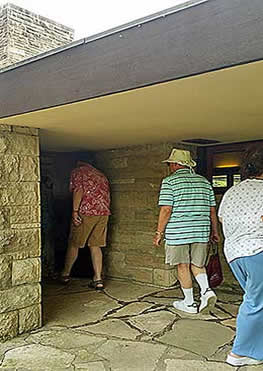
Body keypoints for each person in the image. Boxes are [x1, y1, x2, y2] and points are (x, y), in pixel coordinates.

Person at [153, 148, 219, 314]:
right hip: (201, 230)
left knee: (183, 265)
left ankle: (189, 303)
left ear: (175, 164)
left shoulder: (169, 182)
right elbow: (212, 210)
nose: (169, 167)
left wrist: (159, 233)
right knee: (198, 265)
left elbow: (166, 209)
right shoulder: (204, 182)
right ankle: (206, 290)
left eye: (170, 164)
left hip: (178, 232)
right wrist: (215, 231)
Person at [218, 146, 263, 367]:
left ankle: (255, 346)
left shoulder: (232, 192)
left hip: (235, 254)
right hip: (258, 251)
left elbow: (222, 220)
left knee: (256, 300)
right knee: (255, 302)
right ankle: (240, 353)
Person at [60, 161, 110, 290]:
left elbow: (78, 190)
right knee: (95, 245)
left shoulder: (79, 171)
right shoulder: (100, 174)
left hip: (86, 212)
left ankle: (65, 274)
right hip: (103, 212)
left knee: (74, 243)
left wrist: (75, 211)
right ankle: (98, 279)